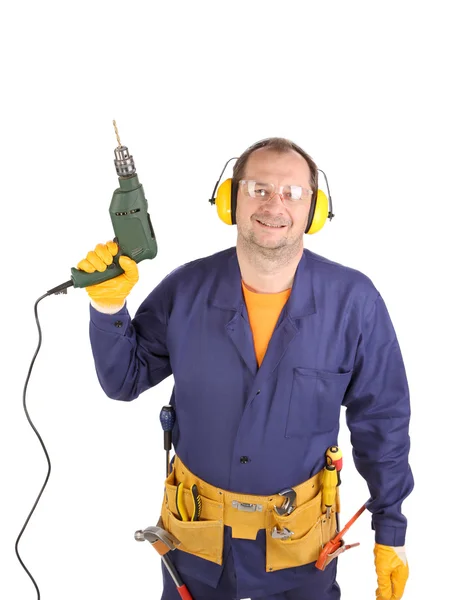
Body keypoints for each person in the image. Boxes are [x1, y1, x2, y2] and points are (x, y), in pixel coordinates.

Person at [78, 138, 413, 600]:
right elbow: (124, 379)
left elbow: (383, 423)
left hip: (299, 559)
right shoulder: (186, 290)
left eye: (292, 193)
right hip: (194, 553)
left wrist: (389, 530)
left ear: (315, 211)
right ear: (229, 200)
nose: (274, 204)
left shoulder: (354, 303)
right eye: (258, 188)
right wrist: (108, 306)